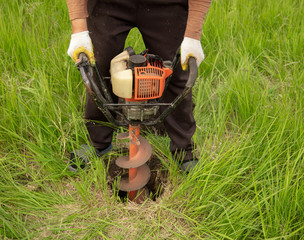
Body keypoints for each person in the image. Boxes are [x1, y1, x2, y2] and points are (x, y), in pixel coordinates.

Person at [66, 0, 211, 173]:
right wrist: (79, 29)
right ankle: (98, 143)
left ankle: (183, 150)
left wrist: (192, 35)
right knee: (98, 69)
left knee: (175, 71)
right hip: (108, 4)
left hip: (168, 5)